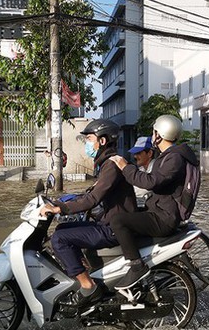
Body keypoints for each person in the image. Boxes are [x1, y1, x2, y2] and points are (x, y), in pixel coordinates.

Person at [39, 119, 137, 309]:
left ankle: (88, 286)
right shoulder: (105, 163)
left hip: (114, 228)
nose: (87, 144)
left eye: (89, 139)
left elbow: (92, 199)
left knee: (59, 239)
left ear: (102, 141)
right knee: (62, 228)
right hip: (109, 221)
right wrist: (59, 202)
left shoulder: (111, 165)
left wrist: (61, 208)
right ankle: (83, 269)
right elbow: (92, 193)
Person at [109, 115, 199, 289]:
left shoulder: (174, 158)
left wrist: (125, 167)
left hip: (164, 217)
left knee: (118, 220)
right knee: (125, 213)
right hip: (159, 210)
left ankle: (136, 266)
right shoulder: (167, 156)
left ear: (159, 134)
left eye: (154, 131)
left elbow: (151, 182)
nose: (152, 135)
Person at [128, 136, 156, 208]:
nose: (135, 156)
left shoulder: (156, 169)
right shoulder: (141, 169)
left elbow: (142, 189)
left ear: (149, 153)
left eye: (138, 153)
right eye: (135, 153)